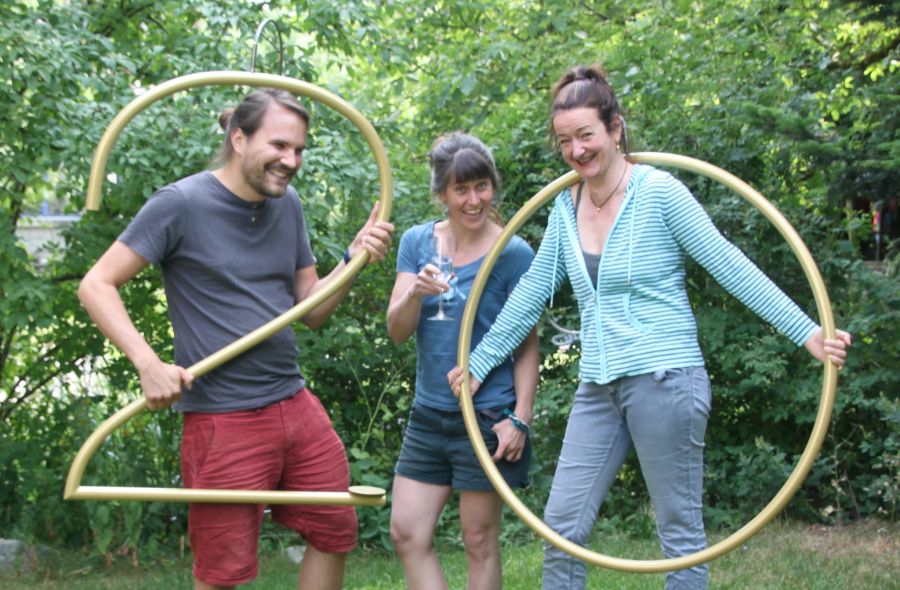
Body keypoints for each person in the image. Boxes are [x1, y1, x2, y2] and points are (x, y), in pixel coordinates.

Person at [448, 65, 852, 590]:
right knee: (562, 527)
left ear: (615, 129)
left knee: (679, 533)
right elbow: (528, 297)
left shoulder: (660, 193)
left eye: (586, 135)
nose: (575, 151)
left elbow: (729, 266)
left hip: (667, 379)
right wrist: (477, 364)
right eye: (565, 141)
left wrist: (809, 334)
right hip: (598, 384)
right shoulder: (566, 209)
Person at [78, 88, 395, 590]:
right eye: (279, 146)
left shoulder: (285, 204)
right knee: (224, 570)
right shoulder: (180, 204)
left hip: (291, 399)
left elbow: (309, 309)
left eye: (299, 150)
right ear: (239, 138)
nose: (291, 161)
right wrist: (147, 362)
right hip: (221, 417)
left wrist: (352, 260)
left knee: (335, 526)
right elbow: (96, 284)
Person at [387, 132, 539, 590]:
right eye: (461, 190)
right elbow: (397, 330)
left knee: (478, 539)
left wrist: (521, 418)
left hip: (489, 414)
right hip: (429, 413)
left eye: (482, 187)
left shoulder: (514, 253)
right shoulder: (417, 243)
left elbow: (528, 345)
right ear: (441, 194)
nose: (474, 200)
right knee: (407, 532)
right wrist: (415, 291)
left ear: (492, 185)